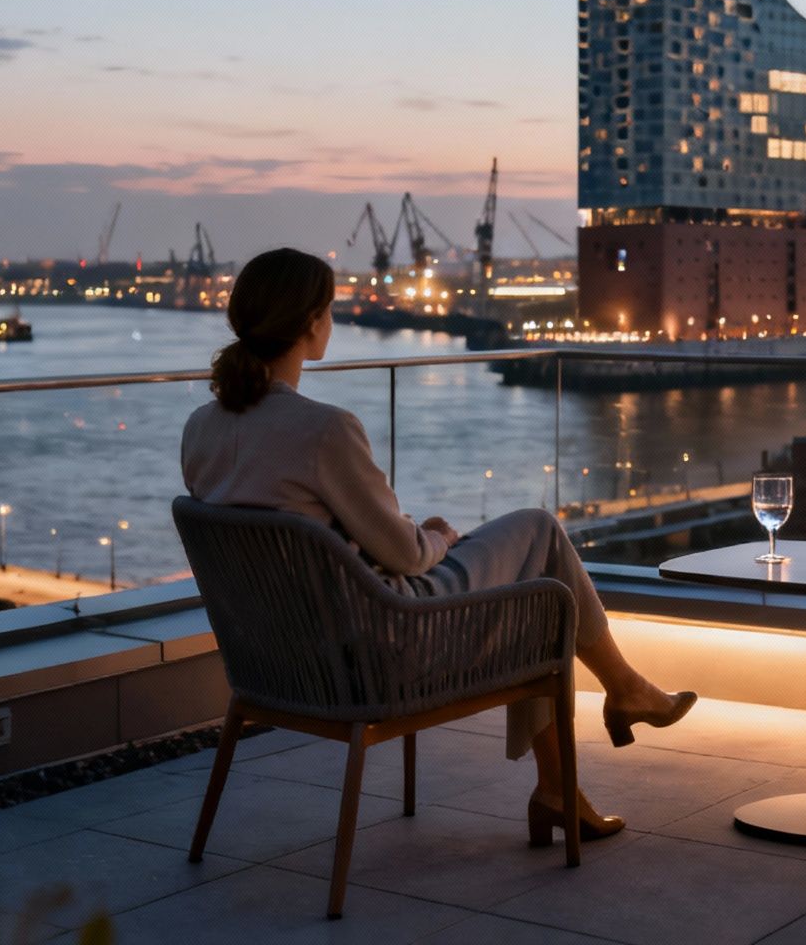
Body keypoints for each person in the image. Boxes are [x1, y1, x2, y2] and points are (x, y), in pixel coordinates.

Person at [181, 248, 695, 845]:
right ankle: (622, 693)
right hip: (388, 651)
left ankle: (569, 775)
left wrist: (401, 542)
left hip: (282, 662)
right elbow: (405, 557)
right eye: (329, 310)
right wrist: (439, 538)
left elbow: (300, 541)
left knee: (539, 597)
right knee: (539, 534)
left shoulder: (201, 429)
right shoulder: (323, 430)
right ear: (310, 323)